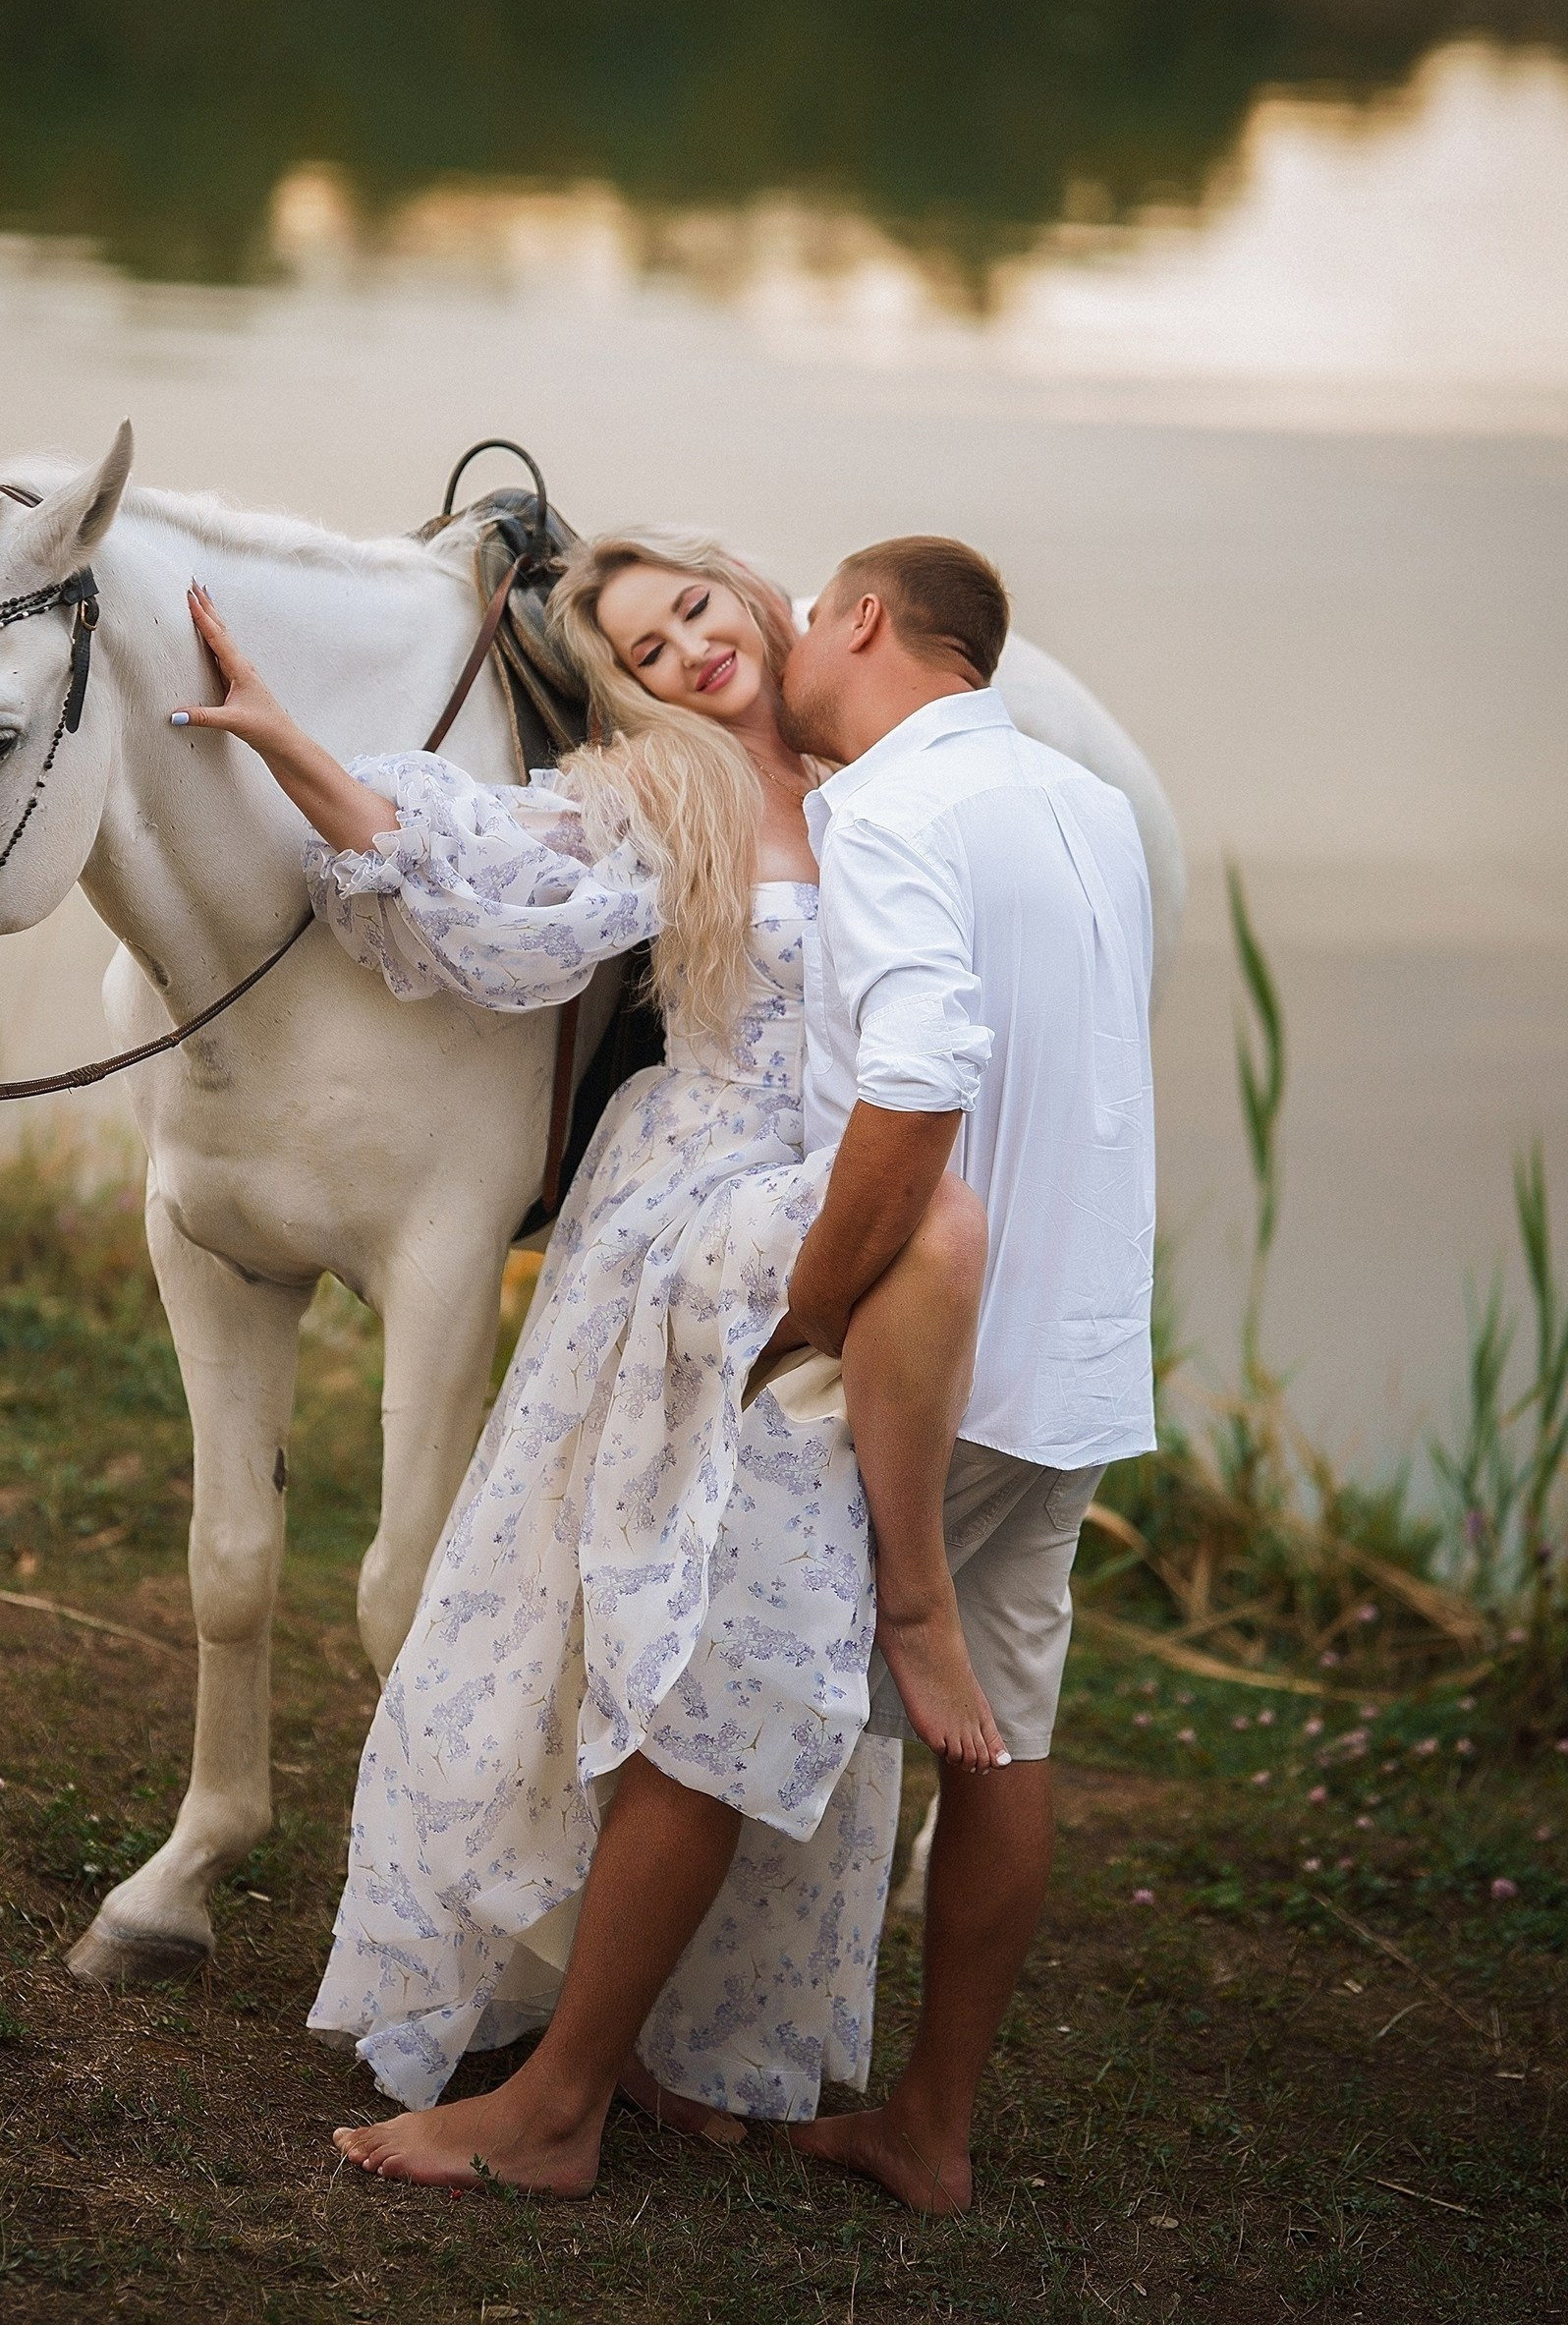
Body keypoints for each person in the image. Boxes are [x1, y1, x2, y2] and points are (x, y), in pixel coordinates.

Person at [173, 535, 991, 2187]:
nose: (687, 651)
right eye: (644, 644)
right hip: (696, 1213)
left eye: (693, 608)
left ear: (753, 593)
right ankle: (540, 2018)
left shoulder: (886, 775)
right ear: (624, 683)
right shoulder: (657, 793)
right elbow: (449, 855)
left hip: (853, 1206)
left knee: (763, 1618)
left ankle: (684, 2029)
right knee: (599, 1604)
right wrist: (283, 740)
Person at [778, 537, 1157, 2216]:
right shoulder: (1089, 806)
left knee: (718, 1686)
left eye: (802, 615)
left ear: (863, 619)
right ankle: (931, 2126)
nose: (790, 643)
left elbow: (919, 1089)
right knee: (1000, 1739)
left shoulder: (891, 809)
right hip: (1075, 1355)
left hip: (928, 1363)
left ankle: (615, 2071)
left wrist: (809, 1303)